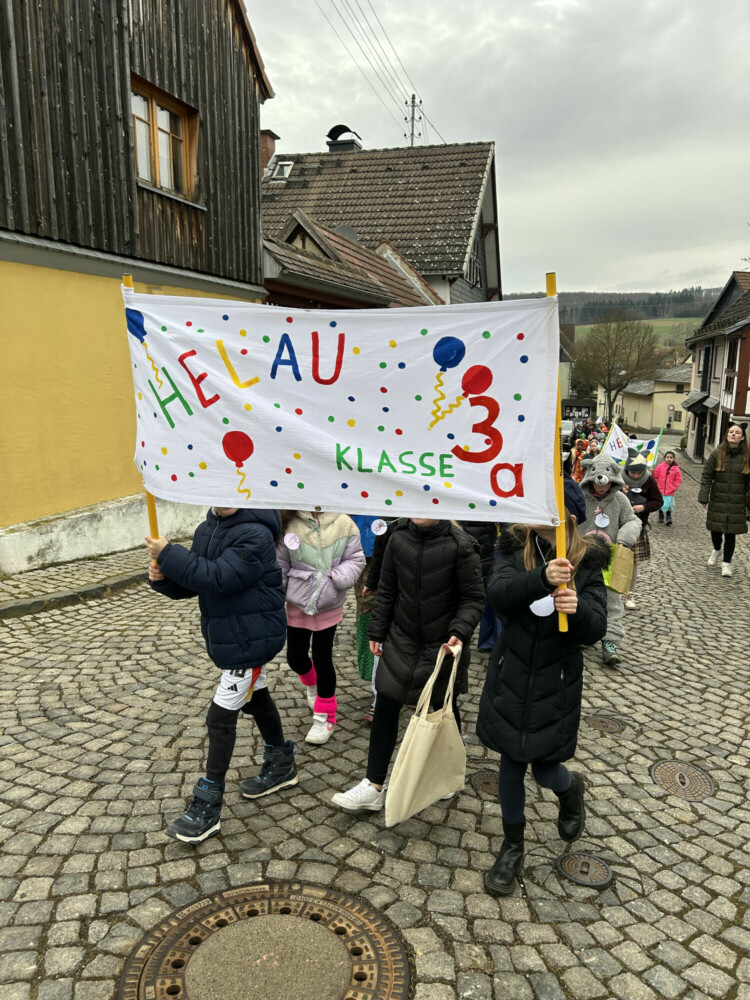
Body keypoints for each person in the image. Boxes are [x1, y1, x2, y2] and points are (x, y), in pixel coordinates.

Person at [476, 513, 609, 896]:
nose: (541, 521)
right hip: (512, 672)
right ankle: (512, 847)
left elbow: (597, 626)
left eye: (551, 515)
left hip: (557, 682)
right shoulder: (514, 548)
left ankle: (570, 791)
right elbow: (498, 595)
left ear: (568, 517)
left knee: (546, 770)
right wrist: (540, 579)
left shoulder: (587, 560)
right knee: (510, 761)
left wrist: (578, 609)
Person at [146, 506, 293, 844]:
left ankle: (208, 803)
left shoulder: (256, 533)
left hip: (251, 635)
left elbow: (219, 578)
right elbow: (195, 581)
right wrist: (164, 578)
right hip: (234, 631)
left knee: (220, 716)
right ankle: (281, 761)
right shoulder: (206, 529)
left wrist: (169, 553)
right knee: (256, 697)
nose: (223, 497)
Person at [331, 517, 485, 813]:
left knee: (440, 709)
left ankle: (442, 773)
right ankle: (373, 785)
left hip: (442, 644)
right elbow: (387, 587)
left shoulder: (461, 546)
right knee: (387, 702)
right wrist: (378, 630)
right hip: (401, 638)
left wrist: (459, 631)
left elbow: (474, 599)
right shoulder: (396, 536)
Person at [277, 510, 365, 743]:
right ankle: (312, 682)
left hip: (328, 602)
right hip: (298, 601)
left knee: (323, 658)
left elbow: (356, 559)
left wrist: (336, 578)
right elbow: (281, 563)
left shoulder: (344, 523)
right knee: (295, 657)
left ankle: (325, 716)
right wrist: (277, 596)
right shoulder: (289, 522)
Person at [578, 453, 642, 666]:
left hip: (610, 557)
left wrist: (625, 537)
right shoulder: (580, 498)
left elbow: (633, 521)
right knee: (582, 596)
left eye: (607, 481)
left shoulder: (621, 500)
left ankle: (610, 641)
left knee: (612, 600)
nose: (602, 486)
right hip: (582, 557)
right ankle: (585, 634)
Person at [699, 422, 750, 578]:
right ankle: (716, 549)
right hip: (718, 498)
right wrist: (704, 496)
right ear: (727, 435)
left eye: (737, 432)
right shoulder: (717, 453)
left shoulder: (747, 456)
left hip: (737, 501)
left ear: (742, 437)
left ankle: (726, 564)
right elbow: (707, 476)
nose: (733, 434)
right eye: (730, 432)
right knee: (715, 529)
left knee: (730, 533)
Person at [620, 449, 663, 609]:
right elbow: (604, 497)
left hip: (636, 527)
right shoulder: (618, 478)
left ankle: (629, 595)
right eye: (632, 472)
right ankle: (611, 593)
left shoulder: (649, 481)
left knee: (632, 563)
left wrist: (644, 507)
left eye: (639, 473)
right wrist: (619, 492)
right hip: (617, 526)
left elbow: (658, 501)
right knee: (613, 561)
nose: (636, 476)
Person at [653, 450, 683, 526]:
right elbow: (655, 476)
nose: (669, 459)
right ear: (664, 458)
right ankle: (661, 515)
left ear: (674, 459)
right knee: (661, 503)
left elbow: (678, 479)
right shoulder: (660, 466)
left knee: (669, 505)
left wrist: (674, 487)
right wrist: (652, 472)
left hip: (670, 490)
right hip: (660, 489)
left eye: (671, 457)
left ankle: (668, 517)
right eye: (667, 457)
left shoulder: (676, 469)